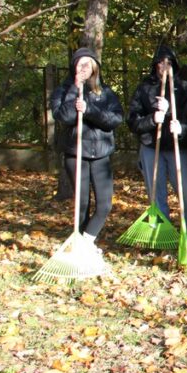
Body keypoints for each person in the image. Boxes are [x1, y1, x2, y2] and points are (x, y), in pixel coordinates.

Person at [127, 45, 187, 248]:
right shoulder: (144, 88)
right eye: (160, 63)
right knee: (156, 195)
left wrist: (171, 115)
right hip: (152, 147)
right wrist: (153, 119)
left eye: (168, 63)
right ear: (155, 65)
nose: (164, 66)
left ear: (174, 65)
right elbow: (133, 121)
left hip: (179, 147)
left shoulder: (184, 89)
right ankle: (162, 237)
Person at [50, 47, 123, 245]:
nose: (83, 68)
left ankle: (85, 243)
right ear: (73, 67)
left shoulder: (106, 93)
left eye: (87, 64)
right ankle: (80, 244)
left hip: (101, 155)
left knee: (104, 205)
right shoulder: (63, 90)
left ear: (94, 68)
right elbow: (63, 117)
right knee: (82, 204)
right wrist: (75, 88)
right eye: (79, 64)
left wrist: (89, 109)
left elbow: (115, 119)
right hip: (76, 154)